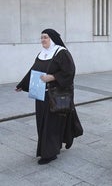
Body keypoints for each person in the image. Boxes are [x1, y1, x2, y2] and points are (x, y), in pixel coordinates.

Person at [15, 29, 83, 164]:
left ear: (52, 38)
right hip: (41, 95)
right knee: (42, 122)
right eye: (41, 38)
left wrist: (52, 77)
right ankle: (60, 141)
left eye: (45, 37)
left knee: (51, 125)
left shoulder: (61, 53)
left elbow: (69, 72)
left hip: (55, 94)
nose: (43, 40)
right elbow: (33, 70)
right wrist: (22, 84)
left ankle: (49, 154)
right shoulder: (42, 54)